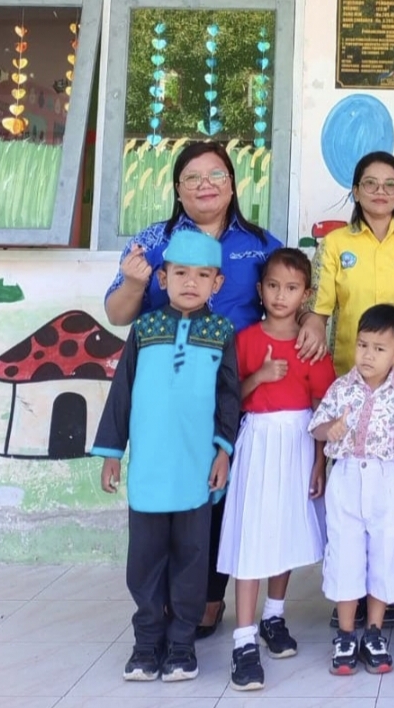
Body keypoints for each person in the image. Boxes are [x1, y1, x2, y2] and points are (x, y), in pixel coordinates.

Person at [104, 141, 294, 640]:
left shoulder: (261, 244)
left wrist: (313, 322)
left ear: (232, 185)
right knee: (170, 496)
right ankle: (163, 601)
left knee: (221, 492)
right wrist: (133, 283)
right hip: (169, 395)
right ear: (177, 188)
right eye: (193, 177)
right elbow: (118, 313)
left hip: (240, 387)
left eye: (216, 175)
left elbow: (290, 294)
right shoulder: (153, 241)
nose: (205, 185)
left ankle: (208, 596)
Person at [93, 229, 241, 682]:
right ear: (163, 278)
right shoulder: (144, 329)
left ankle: (180, 645)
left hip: (196, 467)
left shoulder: (221, 332)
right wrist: (112, 452)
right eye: (180, 273)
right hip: (150, 467)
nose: (191, 282)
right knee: (144, 561)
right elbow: (122, 393)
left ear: (217, 283)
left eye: (203, 275)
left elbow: (229, 398)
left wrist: (223, 451)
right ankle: (146, 643)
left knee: (192, 560)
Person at [300, 150, 394, 629]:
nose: (381, 192)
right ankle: (349, 595)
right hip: (351, 383)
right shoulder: (336, 243)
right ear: (356, 191)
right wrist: (311, 332)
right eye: (371, 183)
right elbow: (319, 309)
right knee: (349, 501)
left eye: (391, 185)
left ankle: (385, 591)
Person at [218, 248, 336, 691]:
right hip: (258, 442)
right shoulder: (245, 340)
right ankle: (244, 639)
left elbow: (323, 407)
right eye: (272, 286)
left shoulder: (313, 346)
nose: (280, 295)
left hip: (299, 443)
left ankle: (273, 616)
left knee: (284, 531)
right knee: (253, 535)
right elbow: (231, 398)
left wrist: (320, 461)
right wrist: (261, 376)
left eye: (291, 288)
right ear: (259, 289)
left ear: (306, 294)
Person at [310, 304, 394, 676]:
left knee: (384, 552)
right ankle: (346, 635)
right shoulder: (341, 388)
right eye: (362, 345)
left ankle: (374, 632)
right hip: (345, 477)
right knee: (345, 552)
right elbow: (317, 427)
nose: (368, 355)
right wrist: (330, 429)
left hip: (384, 478)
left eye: (379, 348)